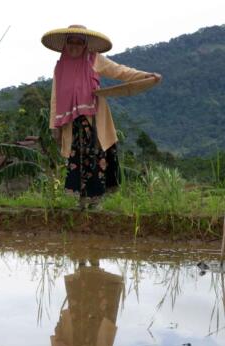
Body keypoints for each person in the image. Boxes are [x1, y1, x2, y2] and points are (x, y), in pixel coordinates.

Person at [42, 24, 162, 209]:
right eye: (71, 42)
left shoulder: (94, 59)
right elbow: (55, 98)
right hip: (71, 122)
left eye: (79, 42)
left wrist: (145, 75)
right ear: (66, 44)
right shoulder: (60, 67)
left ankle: (96, 200)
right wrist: (53, 126)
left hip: (95, 118)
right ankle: (82, 200)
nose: (75, 46)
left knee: (97, 156)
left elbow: (120, 71)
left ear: (85, 44)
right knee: (77, 159)